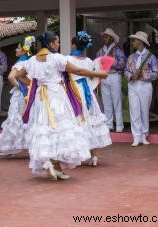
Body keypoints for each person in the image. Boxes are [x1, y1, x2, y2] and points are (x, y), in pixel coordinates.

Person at [8, 31, 107, 180]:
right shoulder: (57, 58)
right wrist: (100, 75)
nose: (59, 44)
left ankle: (53, 164)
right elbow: (78, 70)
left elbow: (18, 75)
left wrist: (34, 85)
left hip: (41, 98)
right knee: (60, 130)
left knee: (45, 130)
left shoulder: (32, 60)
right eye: (58, 42)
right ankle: (53, 163)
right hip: (56, 96)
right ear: (51, 43)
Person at [67, 31, 112, 166]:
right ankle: (94, 156)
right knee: (91, 121)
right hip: (88, 93)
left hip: (74, 92)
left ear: (74, 46)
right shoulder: (89, 61)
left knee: (76, 121)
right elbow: (93, 78)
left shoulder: (67, 60)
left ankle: (76, 154)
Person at [0, 36, 36, 156]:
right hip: (31, 93)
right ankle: (28, 145)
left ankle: (10, 146)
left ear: (24, 50)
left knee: (16, 118)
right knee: (29, 118)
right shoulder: (32, 60)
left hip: (21, 95)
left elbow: (11, 77)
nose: (16, 50)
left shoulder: (21, 62)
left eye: (18, 47)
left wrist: (20, 87)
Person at [125, 31, 158, 146]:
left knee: (144, 111)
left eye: (134, 40)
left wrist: (143, 75)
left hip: (145, 85)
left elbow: (156, 73)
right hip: (133, 85)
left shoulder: (151, 57)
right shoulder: (131, 57)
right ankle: (136, 136)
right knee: (134, 111)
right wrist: (131, 76)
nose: (133, 42)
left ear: (140, 42)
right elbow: (126, 71)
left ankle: (144, 135)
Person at [96, 28, 126, 132]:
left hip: (114, 76)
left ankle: (119, 125)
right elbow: (97, 65)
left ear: (112, 38)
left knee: (116, 101)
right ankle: (109, 124)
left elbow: (123, 64)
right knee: (106, 101)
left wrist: (112, 62)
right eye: (103, 36)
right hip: (104, 76)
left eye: (106, 36)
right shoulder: (100, 51)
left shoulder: (117, 50)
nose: (104, 38)